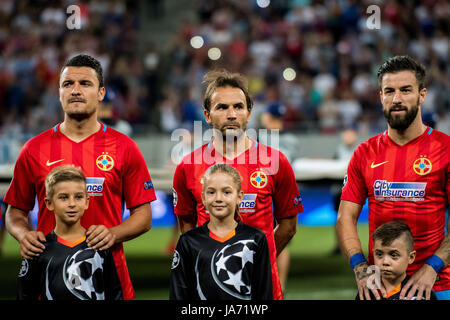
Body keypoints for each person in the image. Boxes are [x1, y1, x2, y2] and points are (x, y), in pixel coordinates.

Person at [3, 54, 157, 300]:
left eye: (85, 84)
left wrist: (113, 233)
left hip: (108, 279)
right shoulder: (34, 149)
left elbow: (144, 216)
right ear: (59, 92)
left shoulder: (124, 147)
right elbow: (15, 211)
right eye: (68, 84)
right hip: (48, 279)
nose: (75, 90)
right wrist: (23, 235)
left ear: (101, 92)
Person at [172, 69, 303, 300]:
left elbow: (289, 226)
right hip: (207, 286)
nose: (231, 114)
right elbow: (187, 226)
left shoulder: (275, 162)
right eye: (222, 107)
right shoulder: (187, 166)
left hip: (263, 287)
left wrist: (260, 257)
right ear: (207, 115)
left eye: (238, 106)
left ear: (249, 113)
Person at [337, 55, 450, 300]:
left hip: (438, 284)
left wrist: (432, 268)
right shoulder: (364, 153)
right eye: (389, 91)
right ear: (381, 97)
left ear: (422, 95)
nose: (396, 99)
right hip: (380, 288)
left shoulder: (446, 150)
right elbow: (346, 217)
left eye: (406, 90)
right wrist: (359, 267)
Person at [17, 166, 123, 300]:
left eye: (78, 197)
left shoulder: (99, 245)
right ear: (49, 203)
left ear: (87, 202)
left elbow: (115, 294)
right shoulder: (38, 248)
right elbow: (24, 295)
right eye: (63, 197)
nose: (72, 203)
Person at [170, 163, 273, 300]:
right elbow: (178, 294)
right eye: (211, 192)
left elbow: (264, 294)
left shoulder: (256, 238)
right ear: (203, 198)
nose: (218, 198)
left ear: (239, 197)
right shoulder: (188, 241)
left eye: (227, 192)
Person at [355, 220, 437, 300]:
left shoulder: (420, 292)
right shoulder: (367, 291)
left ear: (411, 257)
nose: (385, 262)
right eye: (379, 254)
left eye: (393, 255)